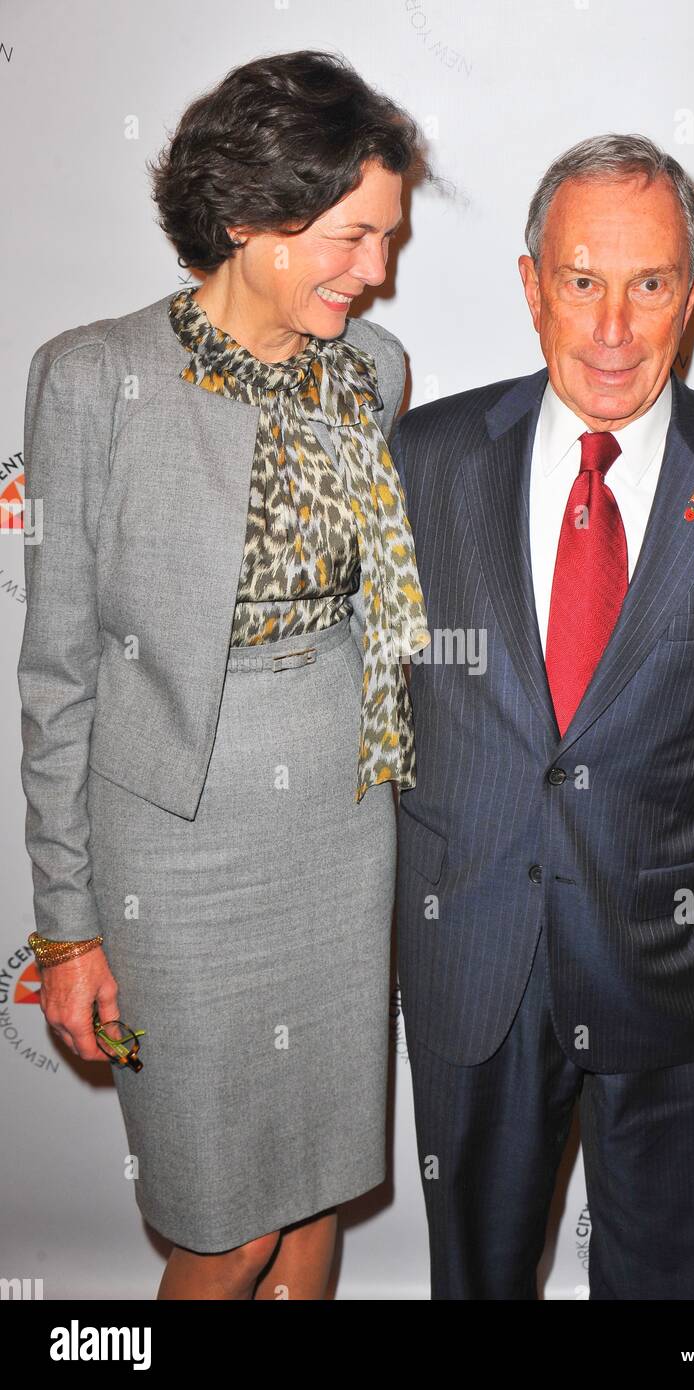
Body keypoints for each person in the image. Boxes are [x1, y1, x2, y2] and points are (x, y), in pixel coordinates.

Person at [390, 132, 694, 1300]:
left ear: (693, 288)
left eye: (646, 285)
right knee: (474, 1281)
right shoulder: (424, 458)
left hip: (674, 973)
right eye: (580, 281)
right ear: (530, 283)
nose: (609, 328)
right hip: (474, 960)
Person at [18, 49, 431, 1300]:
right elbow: (57, 674)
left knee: (313, 1189)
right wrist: (69, 927)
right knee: (220, 1223)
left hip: (345, 825)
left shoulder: (377, 371)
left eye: (388, 238)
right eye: (352, 237)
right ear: (250, 215)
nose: (377, 271)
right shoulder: (94, 377)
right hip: (176, 852)